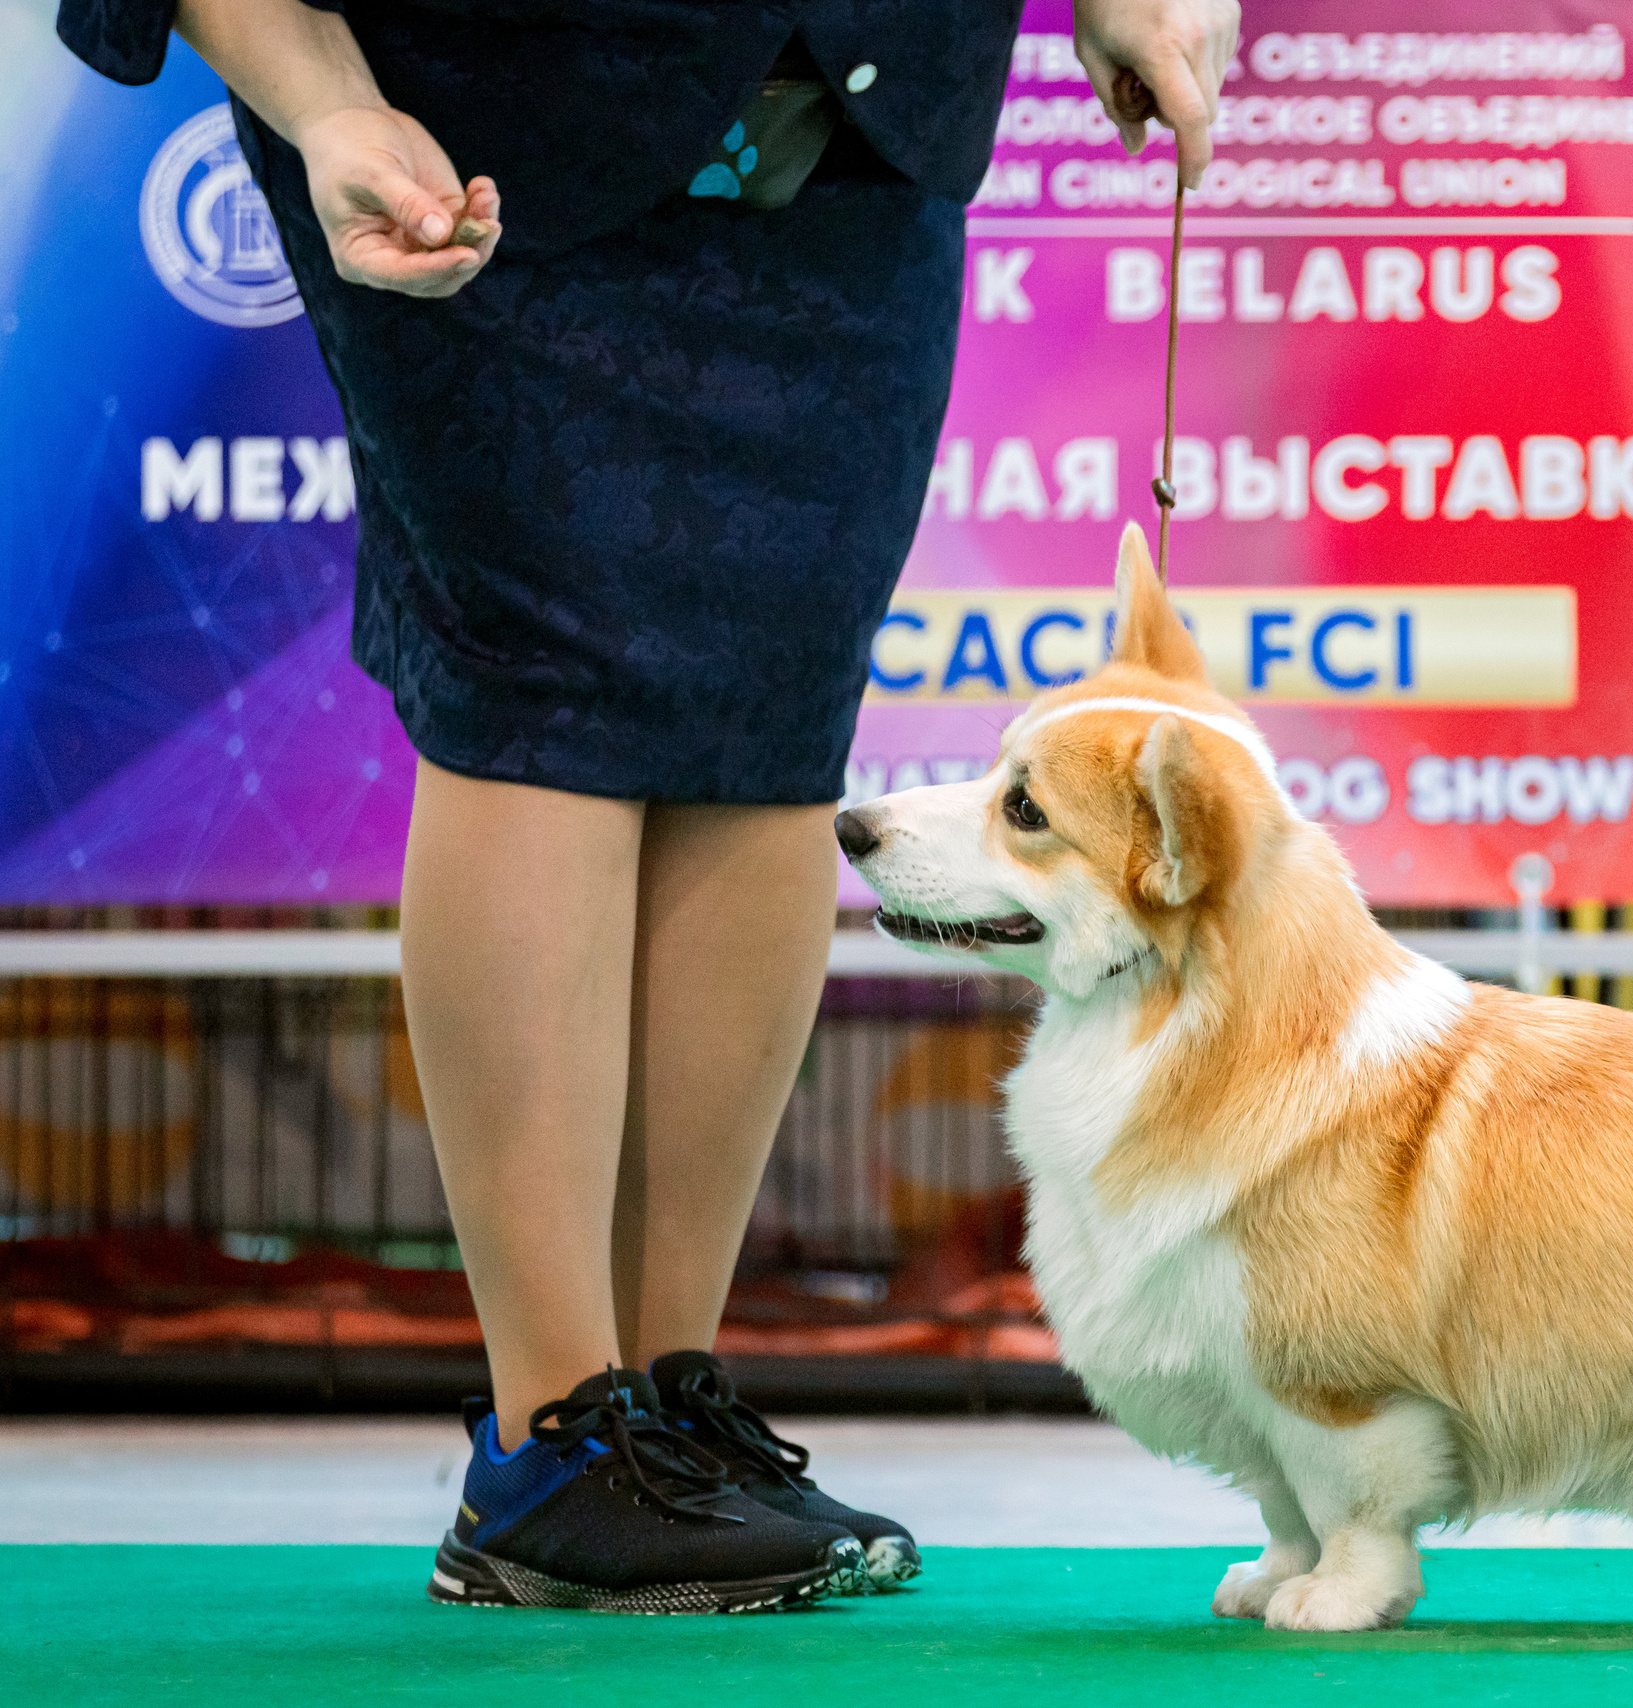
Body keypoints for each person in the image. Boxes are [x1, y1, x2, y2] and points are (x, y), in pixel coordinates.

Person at [57, 0, 1239, 1613]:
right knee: (540, 689)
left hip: (856, 140)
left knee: (778, 702)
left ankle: (663, 1415)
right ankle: (549, 1442)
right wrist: (324, 104)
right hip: (474, 140)